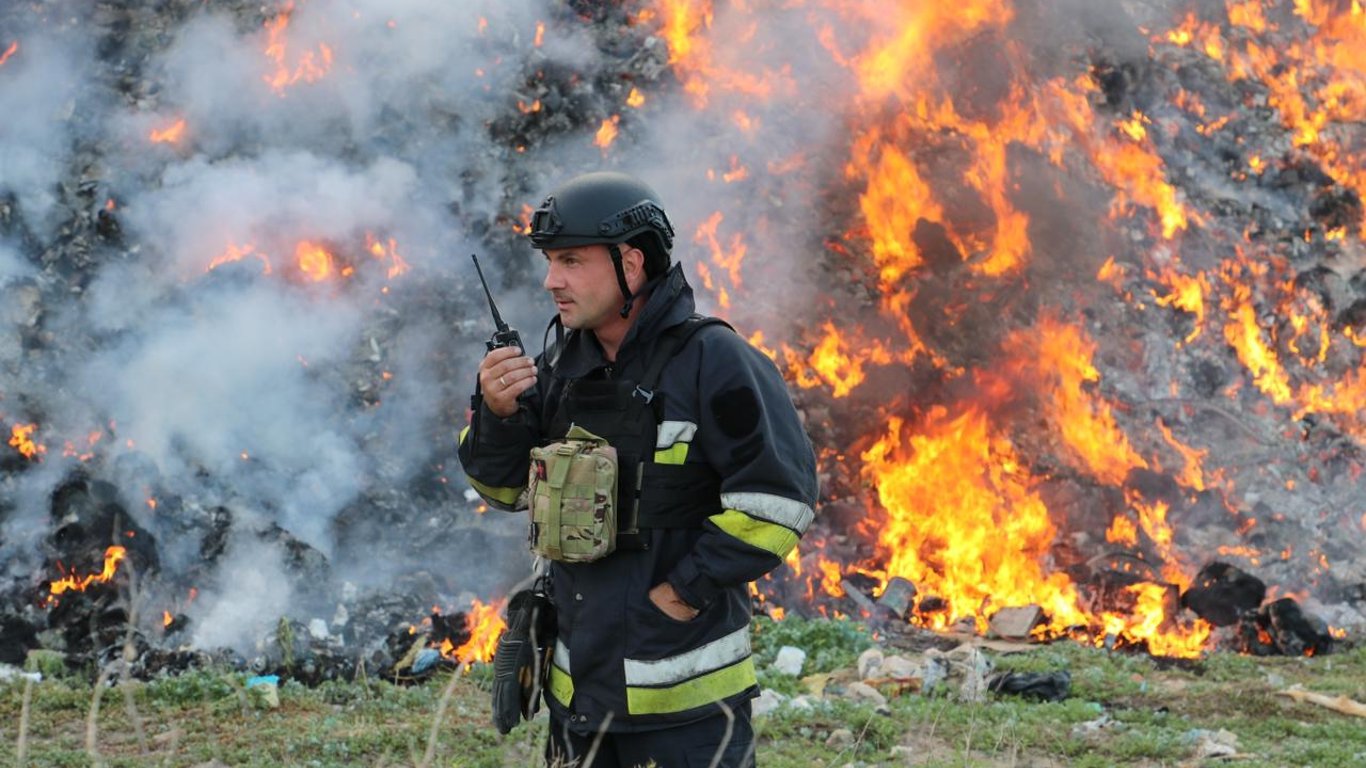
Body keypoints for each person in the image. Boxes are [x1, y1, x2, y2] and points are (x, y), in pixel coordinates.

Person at [458, 171, 818, 768]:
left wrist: (684, 591)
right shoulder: (559, 369)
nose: (552, 281)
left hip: (689, 710)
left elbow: (779, 500)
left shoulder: (715, 361)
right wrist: (496, 413)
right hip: (578, 699)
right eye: (550, 262)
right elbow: (502, 491)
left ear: (631, 261)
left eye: (571, 260)